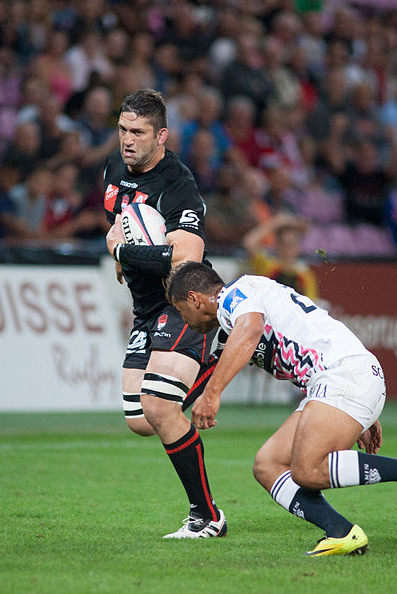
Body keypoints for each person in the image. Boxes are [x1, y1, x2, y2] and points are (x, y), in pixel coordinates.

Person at [166, 261, 393, 556]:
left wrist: (212, 394)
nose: (186, 321)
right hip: (343, 378)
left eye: (183, 312)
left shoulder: (236, 294)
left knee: (308, 469)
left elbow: (250, 329)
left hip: (343, 375)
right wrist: (363, 412)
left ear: (195, 299)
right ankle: (341, 532)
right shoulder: (243, 309)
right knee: (268, 464)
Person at [104, 89, 226, 539]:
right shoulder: (114, 170)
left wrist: (123, 251)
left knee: (160, 405)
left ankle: (207, 516)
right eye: (122, 130)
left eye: (138, 132)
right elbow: (119, 224)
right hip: (145, 307)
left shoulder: (178, 184)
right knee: (139, 419)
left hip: (182, 303)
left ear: (162, 135)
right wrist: (121, 254)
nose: (127, 140)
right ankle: (214, 368)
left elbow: (185, 260)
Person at [242, 212, 318, 300]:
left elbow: (311, 304)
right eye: (283, 243)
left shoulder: (305, 276)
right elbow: (249, 243)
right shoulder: (267, 265)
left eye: (292, 243)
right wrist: (275, 223)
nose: (288, 248)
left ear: (298, 246)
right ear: (276, 245)